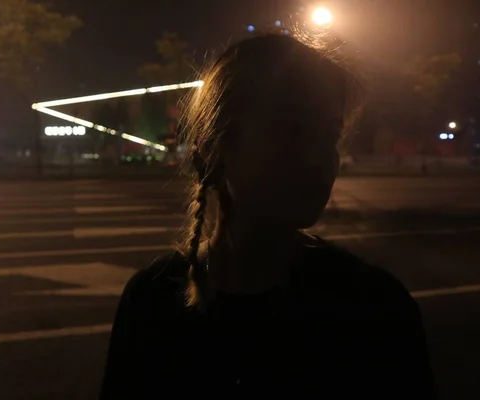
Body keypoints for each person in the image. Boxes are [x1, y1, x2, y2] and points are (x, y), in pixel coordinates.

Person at [100, 33, 435, 399]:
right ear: (215, 151)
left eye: (329, 135)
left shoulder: (374, 308)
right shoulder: (151, 302)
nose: (318, 158)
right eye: (293, 131)